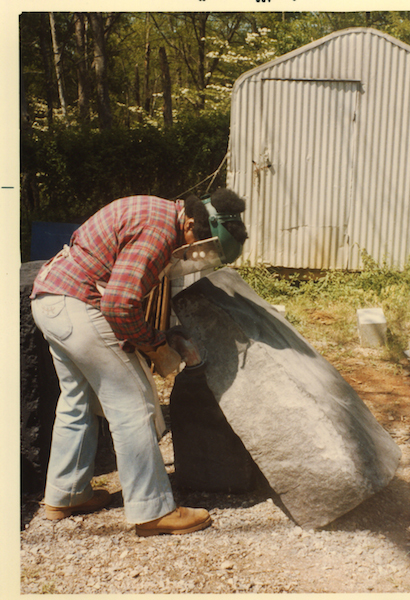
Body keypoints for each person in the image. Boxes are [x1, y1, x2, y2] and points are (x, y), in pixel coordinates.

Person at [30, 189, 248, 537]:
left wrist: (150, 339)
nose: (198, 253)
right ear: (190, 222)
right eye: (202, 243)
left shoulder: (159, 213)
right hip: (77, 303)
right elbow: (118, 304)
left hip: (51, 299)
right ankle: (152, 511)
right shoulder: (161, 230)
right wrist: (155, 347)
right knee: (134, 405)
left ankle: (65, 494)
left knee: (78, 401)